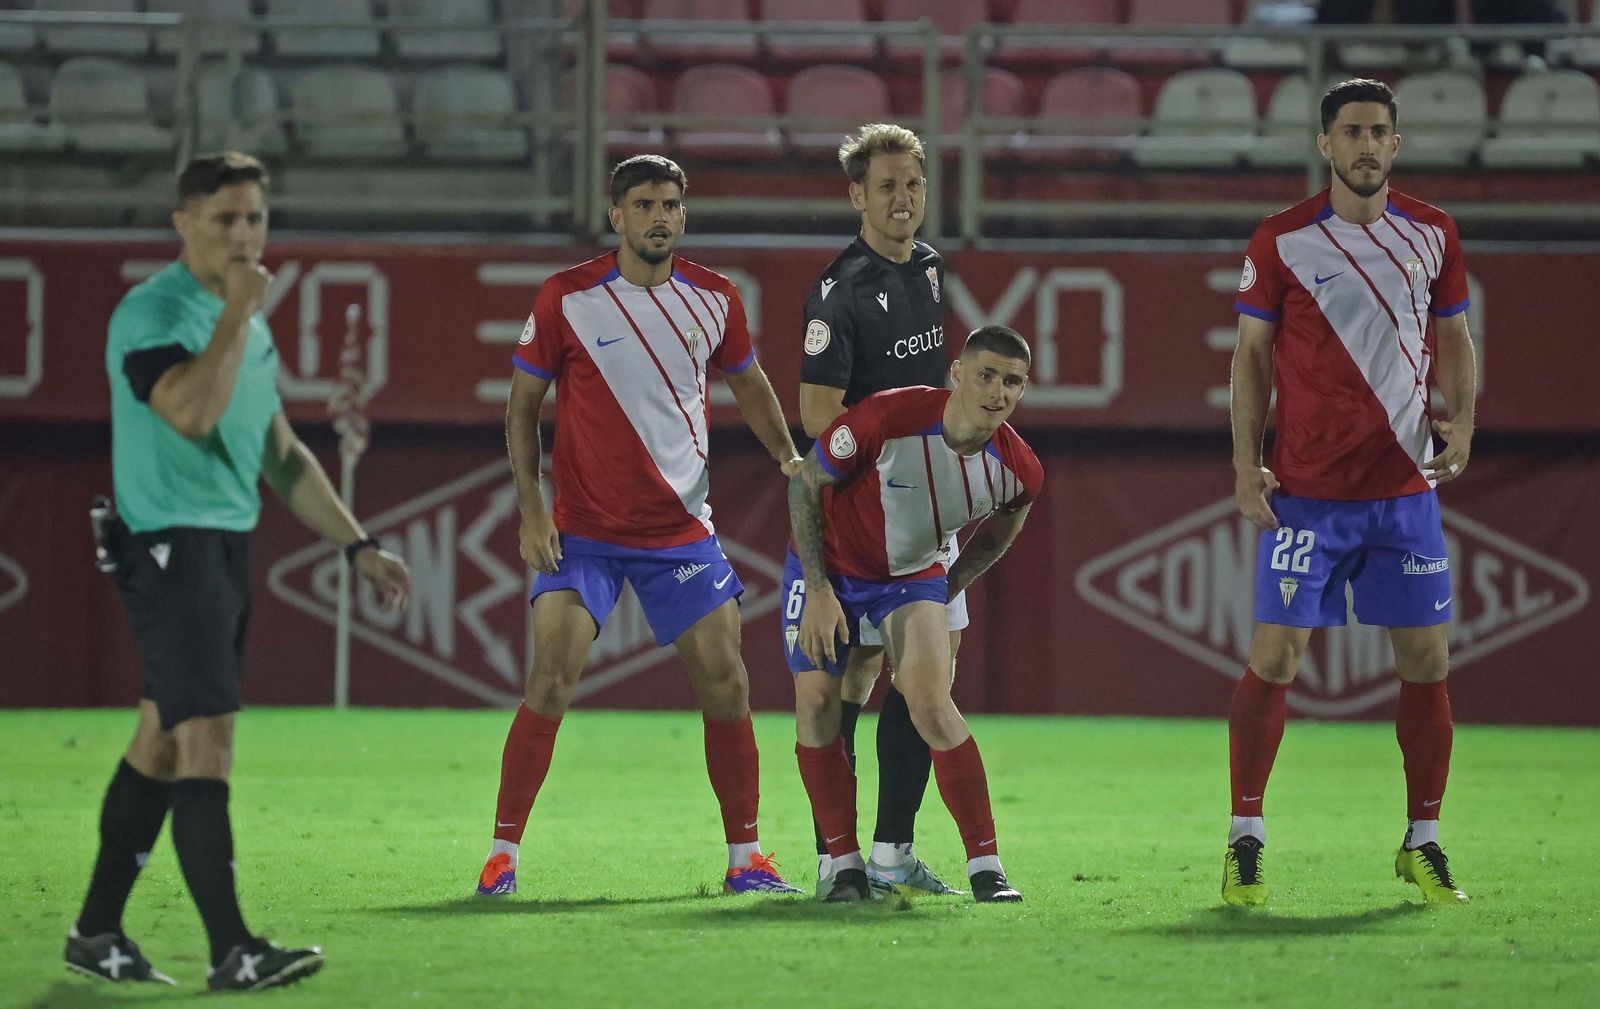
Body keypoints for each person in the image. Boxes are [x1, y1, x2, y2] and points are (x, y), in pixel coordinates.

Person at [68, 151, 413, 991]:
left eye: (255, 217)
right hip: (168, 544)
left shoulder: (245, 326)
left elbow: (283, 455)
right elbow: (187, 412)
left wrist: (357, 544)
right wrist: (234, 316)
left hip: (221, 545)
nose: (244, 233)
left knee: (160, 739)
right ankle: (233, 949)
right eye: (225, 218)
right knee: (207, 737)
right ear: (182, 222)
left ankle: (96, 929)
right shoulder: (151, 312)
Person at [477, 154, 806, 898]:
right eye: (646, 204)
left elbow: (749, 383)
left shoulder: (716, 298)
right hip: (582, 531)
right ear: (617, 215)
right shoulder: (568, 296)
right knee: (550, 679)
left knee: (728, 681)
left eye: (672, 205)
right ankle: (501, 855)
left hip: (680, 533)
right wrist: (530, 507)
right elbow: (522, 407)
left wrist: (789, 458)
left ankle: (745, 858)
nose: (661, 216)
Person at [1225, 79, 1476, 907]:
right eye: (1351, 132)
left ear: (1396, 144)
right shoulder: (1282, 239)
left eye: (1379, 132)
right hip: (1307, 491)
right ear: (1326, 145)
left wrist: (1464, 424)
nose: (1366, 145)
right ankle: (1246, 838)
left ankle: (1423, 841)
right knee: (1276, 656)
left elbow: (1455, 336)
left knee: (1426, 660)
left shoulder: (1434, 232)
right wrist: (1243, 461)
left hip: (1404, 488)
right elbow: (1251, 360)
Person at [785, 325, 1042, 903]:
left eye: (1013, 382)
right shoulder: (885, 418)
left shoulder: (1018, 470)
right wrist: (819, 590)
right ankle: (842, 866)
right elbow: (804, 485)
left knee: (929, 697)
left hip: (912, 576)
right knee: (819, 701)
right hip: (831, 568)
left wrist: (944, 588)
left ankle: (986, 867)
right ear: (957, 372)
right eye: (986, 375)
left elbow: (1000, 533)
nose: (997, 391)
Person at [797, 123, 964, 897]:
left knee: (925, 681)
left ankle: (892, 850)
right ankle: (841, 859)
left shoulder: (931, 269)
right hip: (861, 515)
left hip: (928, 511)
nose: (903, 199)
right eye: (887, 186)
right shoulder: (839, 291)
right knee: (840, 685)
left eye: (914, 184)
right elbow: (817, 413)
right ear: (857, 195)